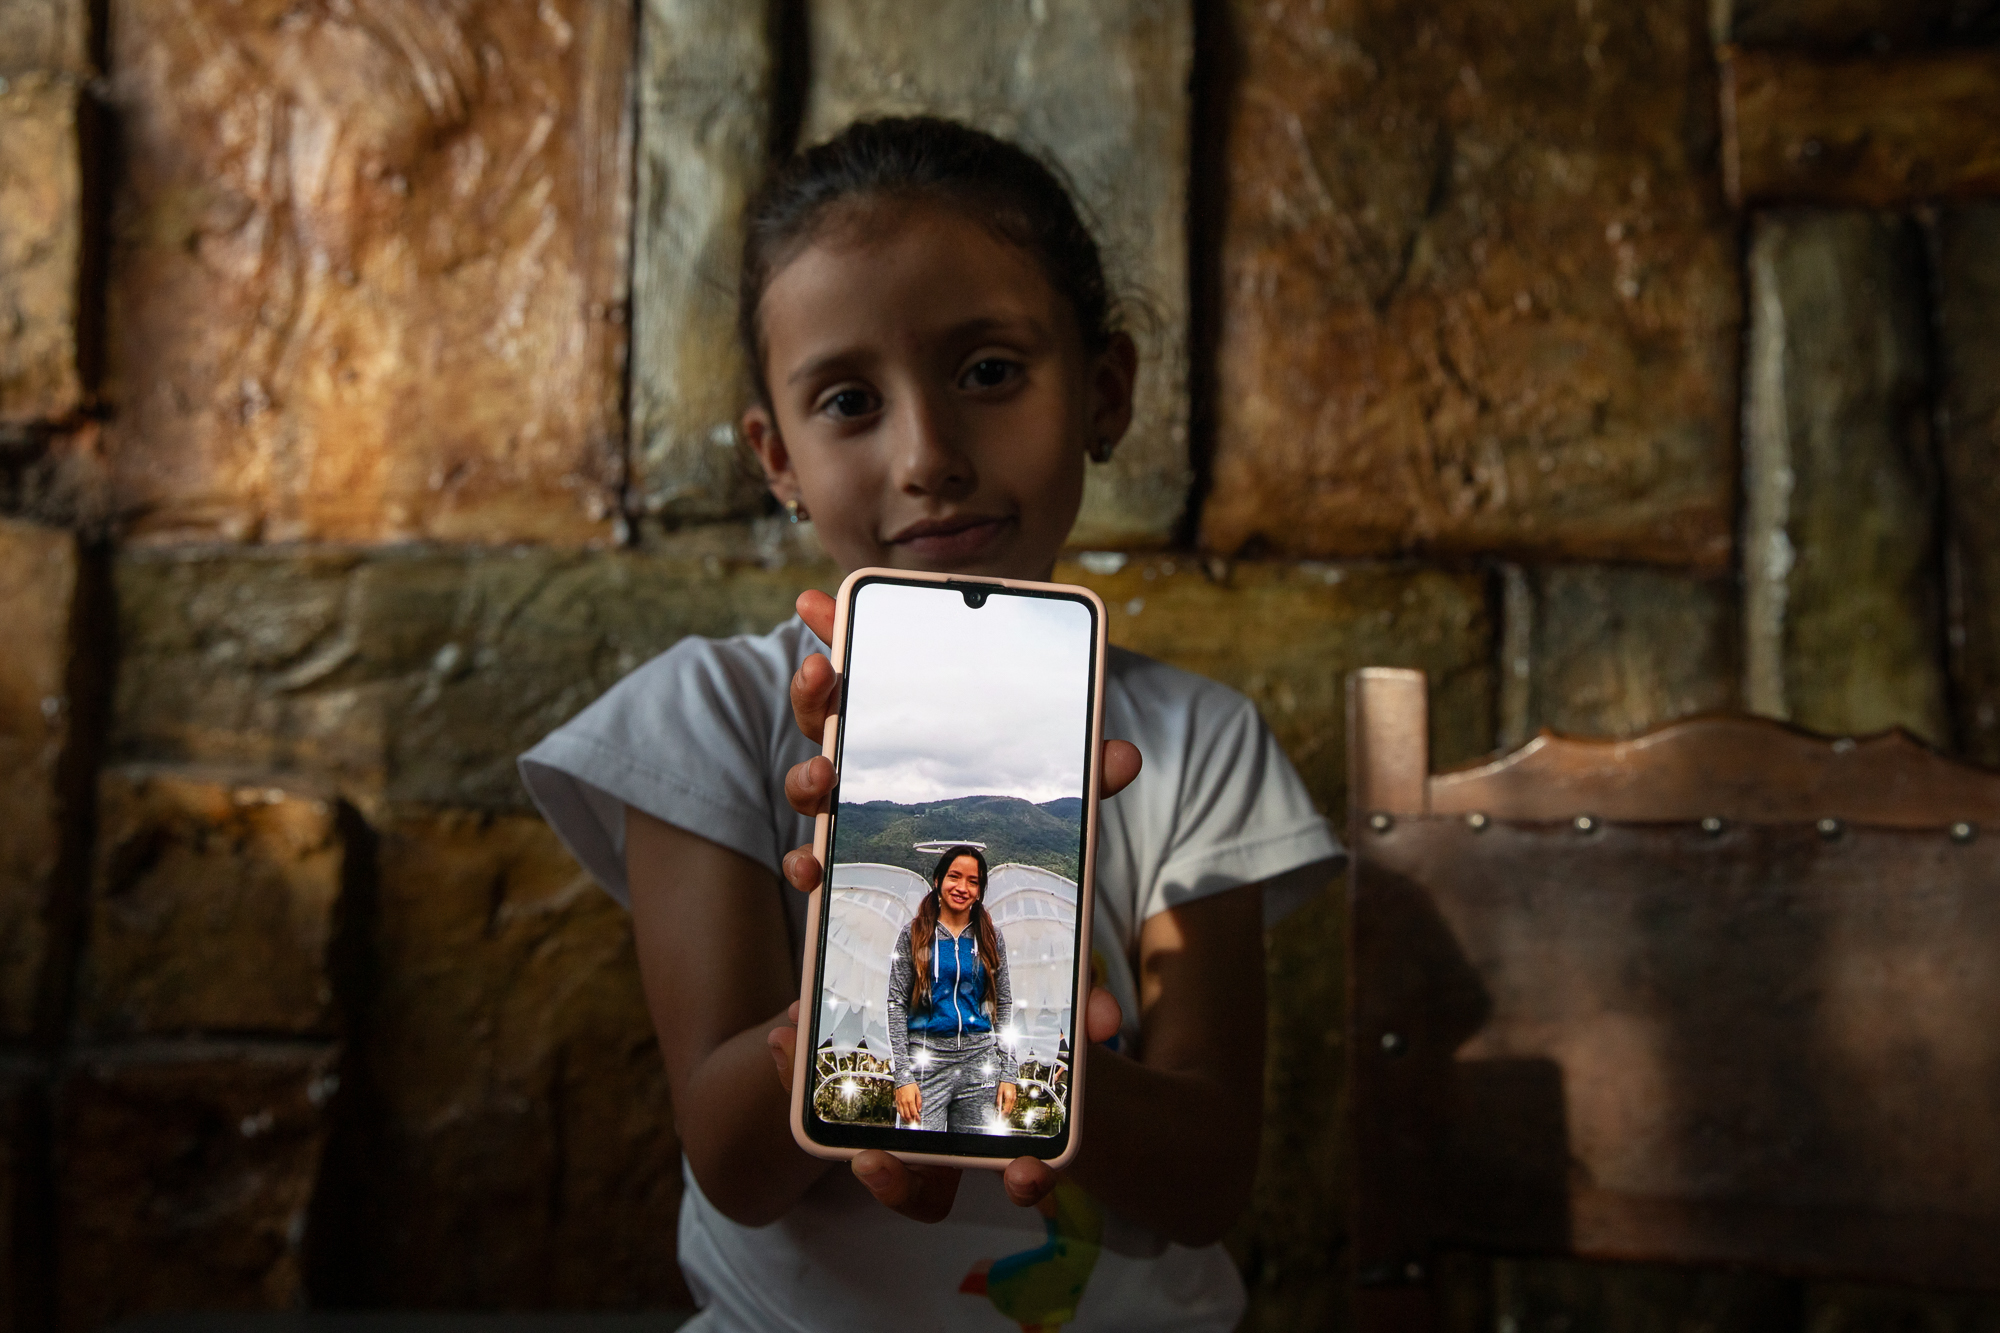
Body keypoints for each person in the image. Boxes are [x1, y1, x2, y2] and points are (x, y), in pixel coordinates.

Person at [519, 116, 1344, 1330]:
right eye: (848, 400)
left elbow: (1208, 1175)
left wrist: (1030, 1057)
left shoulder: (1198, 744)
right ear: (778, 457)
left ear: (1103, 393)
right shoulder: (700, 719)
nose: (928, 456)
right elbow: (737, 1167)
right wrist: (866, 969)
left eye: (989, 372)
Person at [887, 846, 1017, 1132]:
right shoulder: (914, 934)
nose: (962, 888)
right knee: (917, 1158)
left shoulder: (992, 938)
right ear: (937, 881)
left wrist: (1009, 1071)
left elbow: (1003, 1003)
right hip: (925, 1063)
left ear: (981, 891)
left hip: (979, 1063)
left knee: (975, 1160)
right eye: (954, 877)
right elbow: (896, 1004)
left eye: (973, 882)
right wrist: (903, 1077)